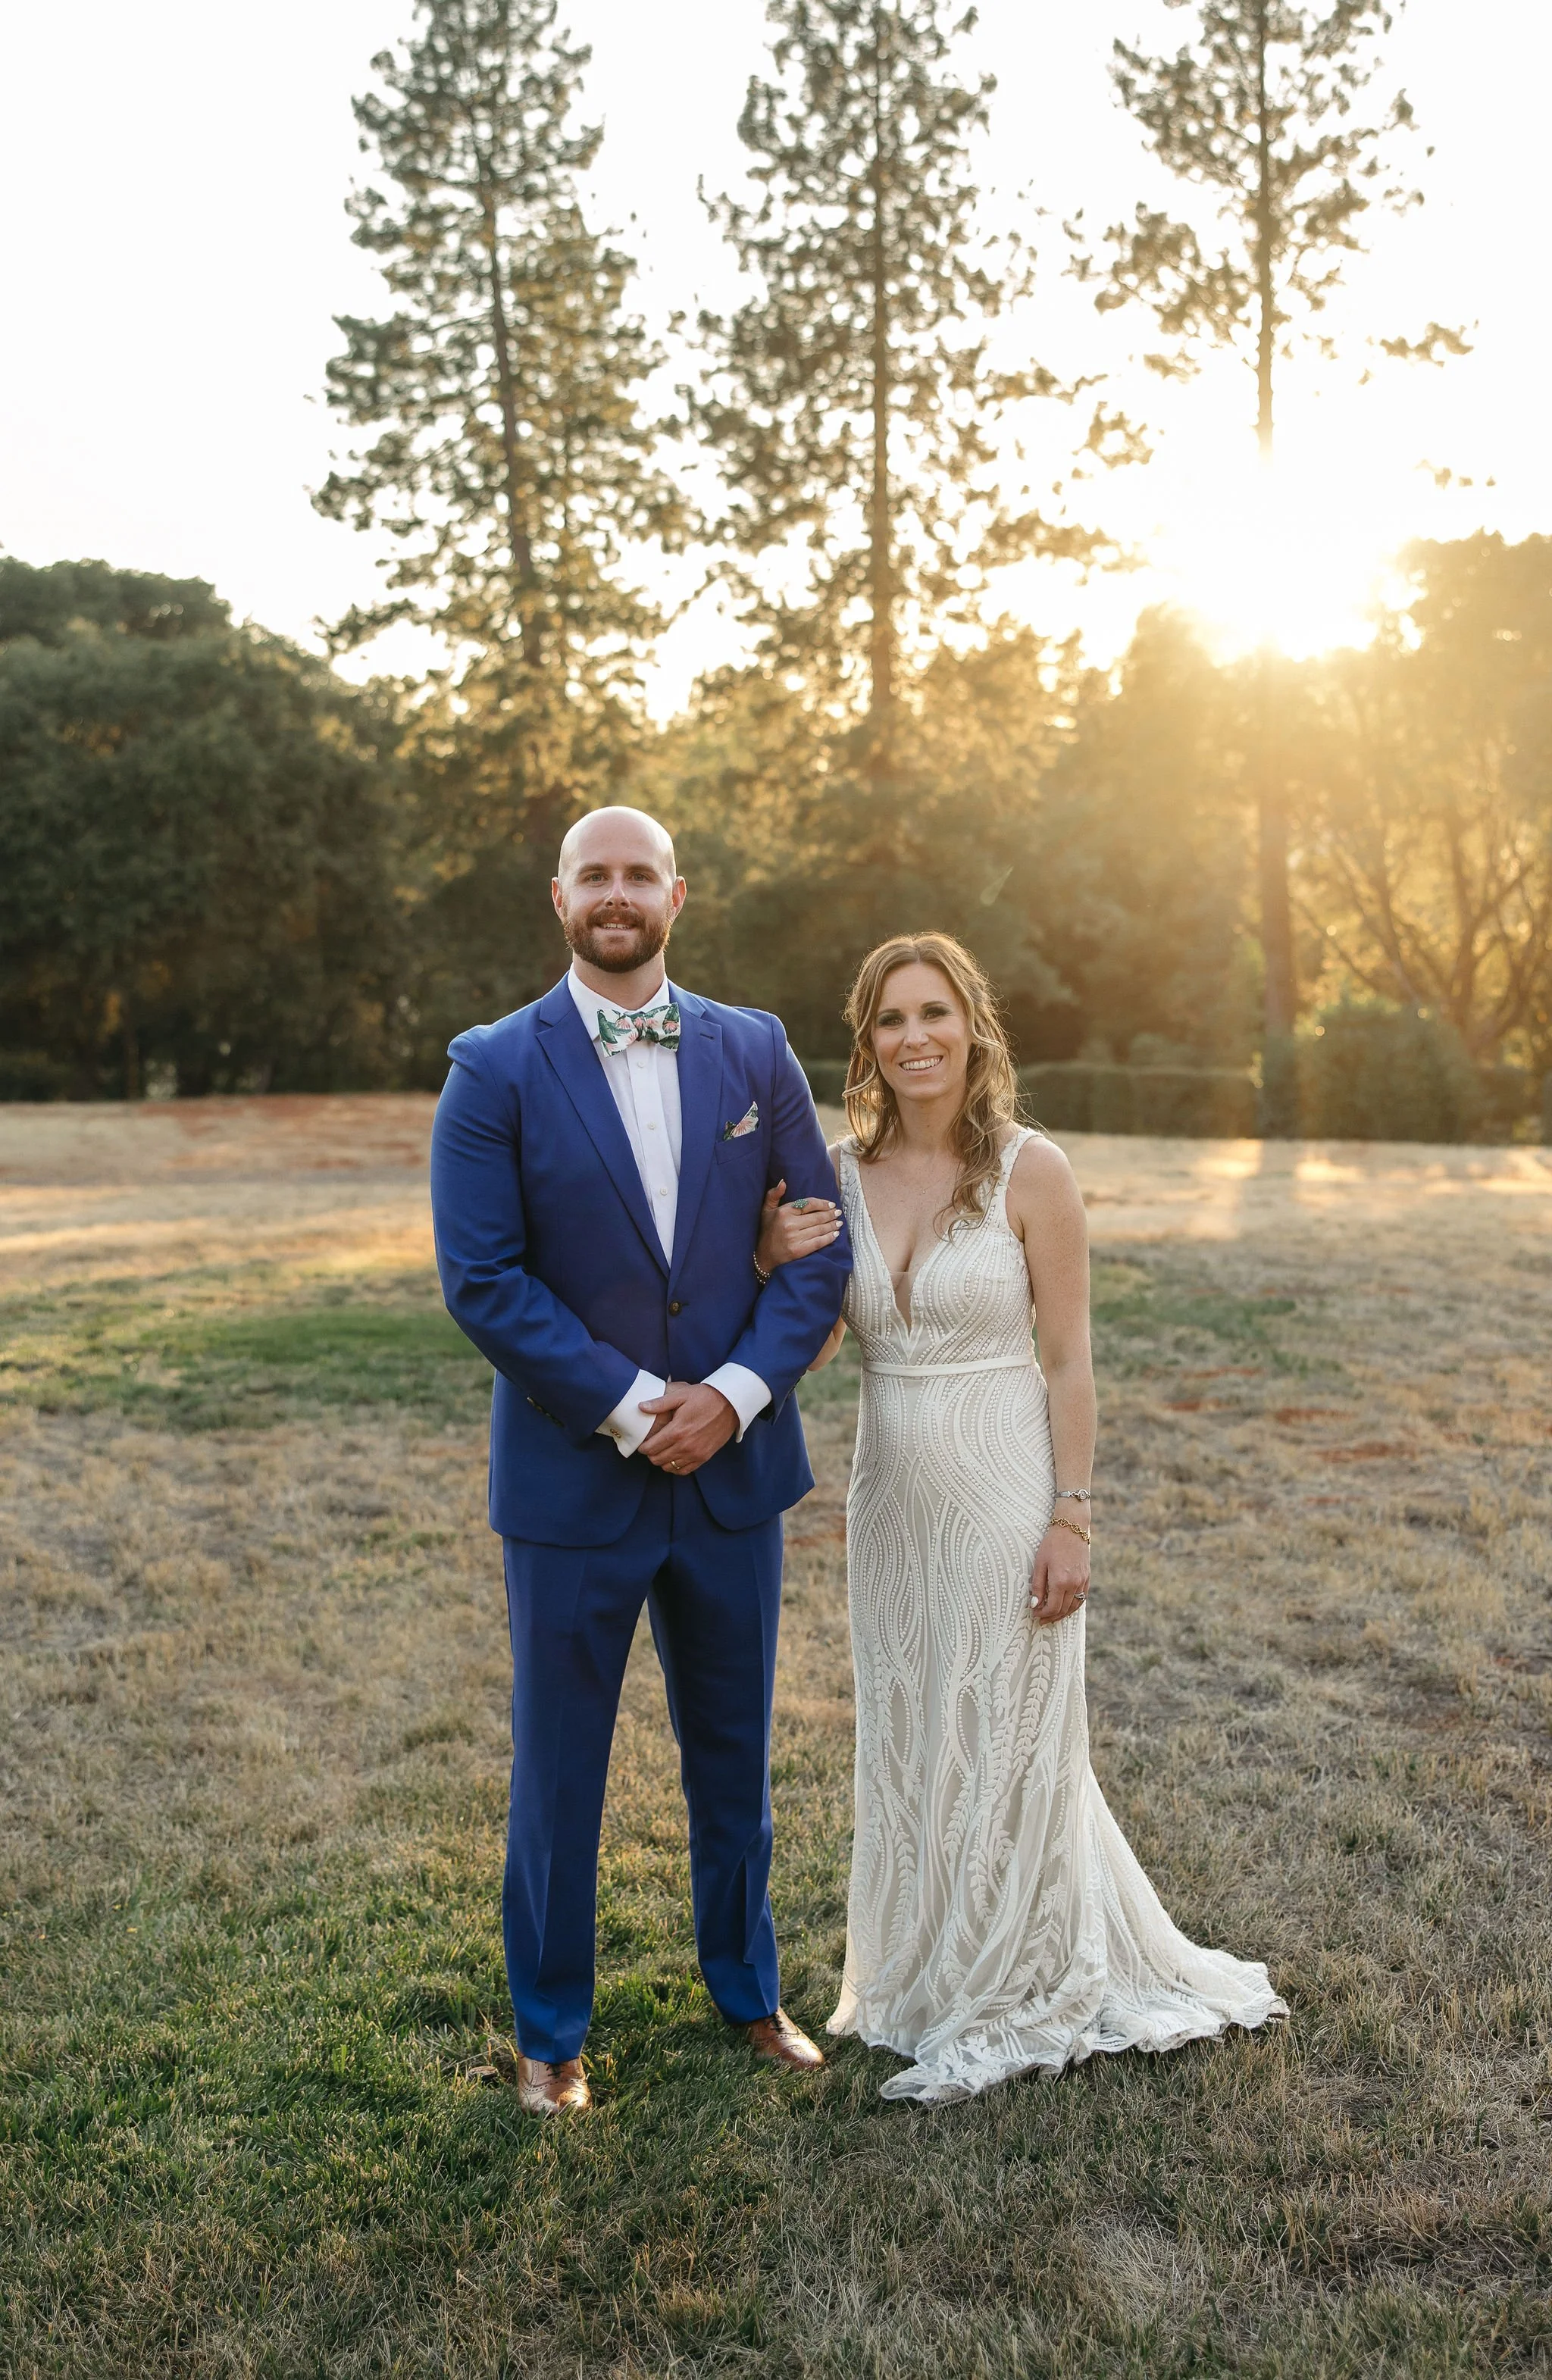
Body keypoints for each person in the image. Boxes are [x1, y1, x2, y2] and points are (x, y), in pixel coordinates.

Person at [757, 931, 1285, 2103]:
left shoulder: (1031, 1170)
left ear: (974, 1027)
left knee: (1005, 1731)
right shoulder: (838, 1172)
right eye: (891, 1020)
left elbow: (1069, 1362)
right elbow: (824, 1340)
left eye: (935, 1013)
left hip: (1006, 1486)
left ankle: (1015, 1984)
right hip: (891, 1495)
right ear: (867, 1043)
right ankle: (927, 1974)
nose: (915, 1038)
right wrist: (763, 1260)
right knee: (912, 1728)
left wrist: (1073, 1518)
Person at [429, 807, 850, 2118]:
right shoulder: (492, 1067)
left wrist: (727, 1398)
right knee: (561, 1770)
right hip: (574, 1484)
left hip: (733, 1476)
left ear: (681, 893)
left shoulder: (756, 1049)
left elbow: (819, 1250)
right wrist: (629, 1404)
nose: (619, 895)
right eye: (595, 875)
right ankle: (551, 2036)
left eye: (640, 876)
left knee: (734, 1756)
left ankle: (750, 1992)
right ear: (560, 895)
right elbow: (482, 1282)